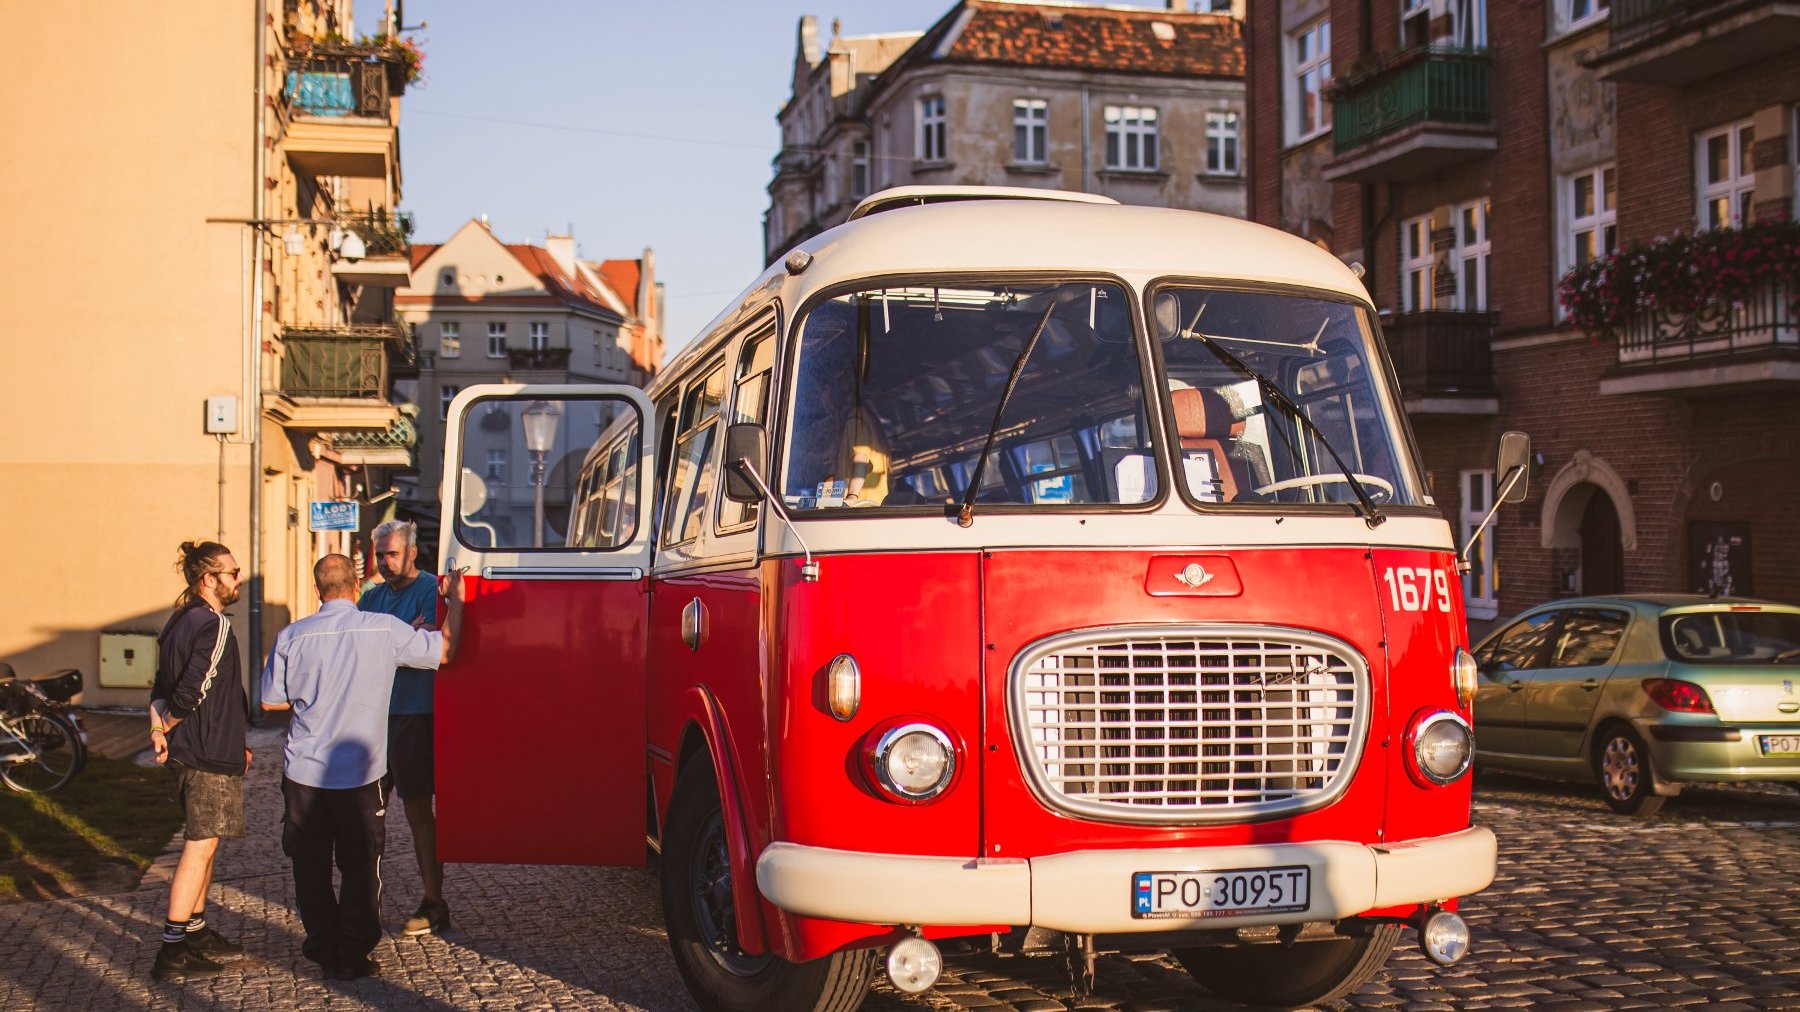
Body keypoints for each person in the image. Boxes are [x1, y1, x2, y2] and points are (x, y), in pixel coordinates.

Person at [260, 554, 463, 981]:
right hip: (360, 773)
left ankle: (322, 946)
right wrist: (456, 601)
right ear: (356, 588)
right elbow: (445, 651)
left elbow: (269, 699)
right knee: (360, 867)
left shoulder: (292, 637)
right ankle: (353, 953)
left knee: (310, 867)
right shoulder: (384, 630)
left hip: (304, 774)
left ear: (317, 591)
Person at [148, 540, 250, 982]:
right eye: (232, 572)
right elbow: (193, 689)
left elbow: (158, 686)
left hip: (205, 749)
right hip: (204, 751)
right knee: (200, 845)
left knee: (207, 842)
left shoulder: (177, 622)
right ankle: (172, 951)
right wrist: (168, 723)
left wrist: (157, 728)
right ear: (208, 579)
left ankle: (196, 930)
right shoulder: (213, 624)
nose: (237, 578)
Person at [357, 519, 449, 937]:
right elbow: (359, 648)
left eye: (392, 553)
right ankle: (362, 905)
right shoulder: (371, 597)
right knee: (362, 813)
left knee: (417, 811)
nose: (385, 562)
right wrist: (404, 637)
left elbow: (430, 647)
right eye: (380, 554)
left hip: (414, 714)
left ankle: (434, 901)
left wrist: (401, 643)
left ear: (413, 552)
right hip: (371, 715)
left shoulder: (432, 590)